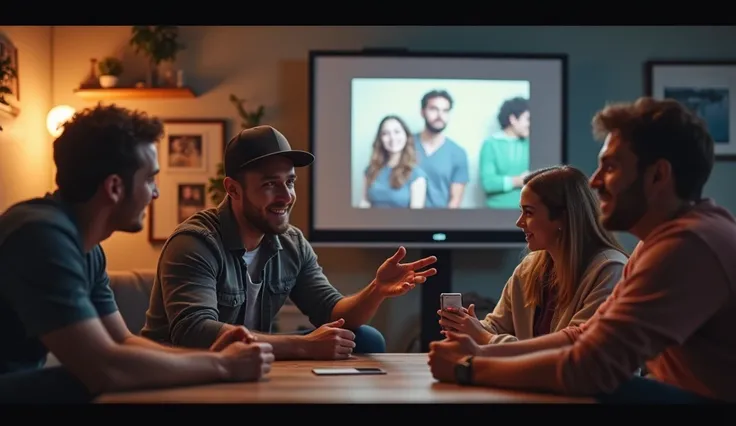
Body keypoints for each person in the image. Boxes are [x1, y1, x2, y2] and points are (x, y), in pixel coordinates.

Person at [428, 97, 736, 404]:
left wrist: (469, 368)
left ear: (658, 175)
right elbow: (582, 336)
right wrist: (481, 352)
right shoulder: (655, 243)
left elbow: (591, 367)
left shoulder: (689, 245)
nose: (595, 180)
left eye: (611, 166)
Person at [0, 104, 274, 404]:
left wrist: (210, 356)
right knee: (81, 379)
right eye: (149, 180)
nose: (155, 193)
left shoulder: (86, 248)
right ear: (115, 187)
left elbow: (124, 341)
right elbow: (104, 367)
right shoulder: (40, 237)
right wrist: (224, 365)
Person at [141, 125, 438, 359]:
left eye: (290, 182)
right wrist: (302, 346)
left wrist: (377, 290)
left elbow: (333, 311)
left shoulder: (291, 242)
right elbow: (194, 332)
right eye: (270, 184)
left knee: (365, 338)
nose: (286, 196)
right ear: (233, 189)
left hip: (241, 363)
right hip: (180, 372)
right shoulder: (195, 243)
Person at [438, 165, 627, 345]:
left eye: (528, 212)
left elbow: (575, 351)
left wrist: (484, 337)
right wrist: (471, 327)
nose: (519, 222)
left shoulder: (610, 270)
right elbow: (496, 327)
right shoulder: (529, 268)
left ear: (563, 217)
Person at [413, 90, 469, 208]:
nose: (439, 116)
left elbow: (455, 201)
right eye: (433, 109)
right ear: (422, 112)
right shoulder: (404, 145)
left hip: (438, 222)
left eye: (445, 111)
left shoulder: (458, 153)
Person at [360, 115, 427, 209]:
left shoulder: (417, 176)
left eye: (397, 132)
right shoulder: (370, 170)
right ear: (380, 139)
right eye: (385, 133)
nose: (392, 138)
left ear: (406, 136)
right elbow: (365, 202)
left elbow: (415, 219)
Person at [479, 97, 531, 209]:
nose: (530, 124)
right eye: (527, 119)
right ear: (513, 119)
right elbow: (489, 183)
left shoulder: (531, 143)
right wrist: (518, 181)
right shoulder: (491, 144)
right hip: (497, 214)